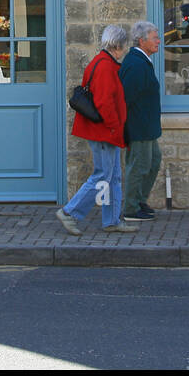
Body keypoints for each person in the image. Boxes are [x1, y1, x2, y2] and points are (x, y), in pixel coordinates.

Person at [56, 24, 138, 234]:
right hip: (104, 131)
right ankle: (69, 212)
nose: (124, 51)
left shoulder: (100, 63)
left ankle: (111, 220)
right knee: (103, 176)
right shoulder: (105, 67)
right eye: (124, 46)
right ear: (118, 45)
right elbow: (105, 104)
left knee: (113, 177)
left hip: (103, 130)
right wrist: (114, 129)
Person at [120, 20, 163, 222]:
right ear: (141, 40)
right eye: (154, 38)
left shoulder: (142, 61)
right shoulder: (136, 64)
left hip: (147, 127)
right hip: (139, 127)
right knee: (139, 166)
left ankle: (139, 201)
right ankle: (130, 209)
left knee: (153, 161)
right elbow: (126, 99)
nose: (159, 41)